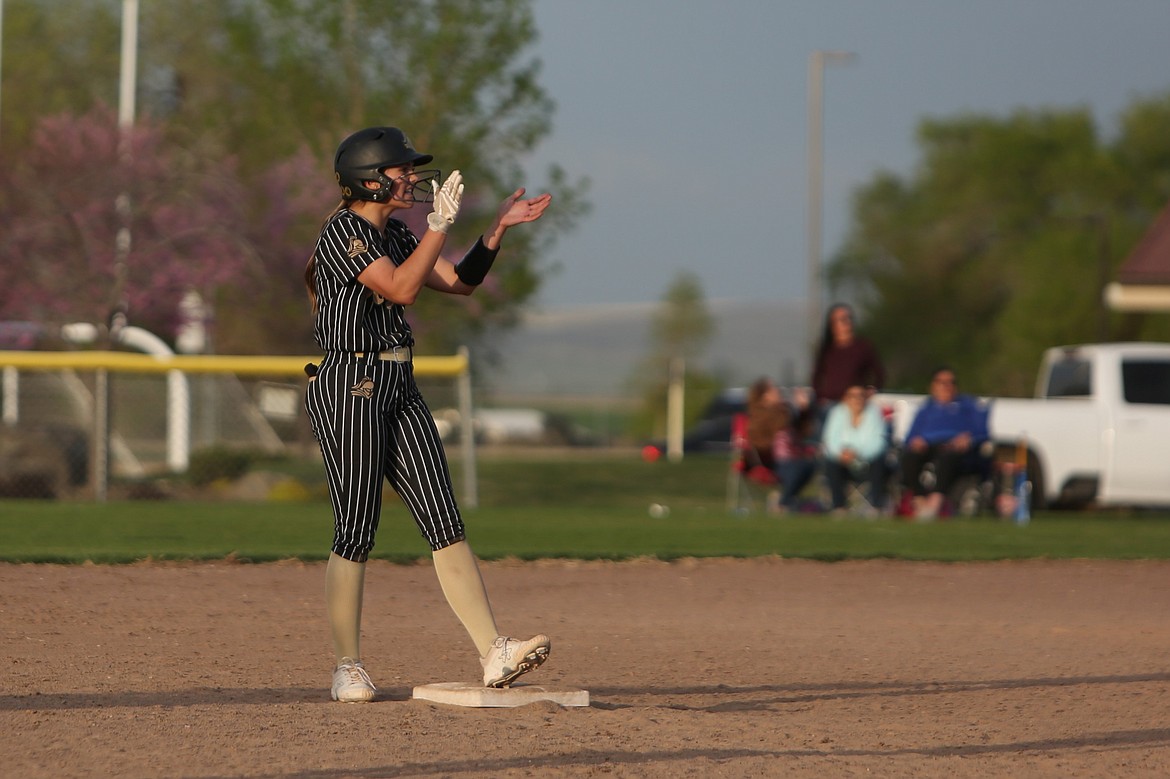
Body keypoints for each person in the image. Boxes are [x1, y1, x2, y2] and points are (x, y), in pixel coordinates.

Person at [302, 126, 553, 702]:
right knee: (357, 524)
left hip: (397, 381)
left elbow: (459, 283)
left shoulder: (389, 232)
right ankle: (348, 666)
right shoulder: (345, 231)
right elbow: (401, 289)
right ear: (370, 178)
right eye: (401, 170)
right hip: (350, 384)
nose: (411, 177)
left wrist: (494, 232)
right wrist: (437, 226)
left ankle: (494, 651)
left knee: (443, 516)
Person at [898, 367, 990, 520]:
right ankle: (920, 500)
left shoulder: (968, 405)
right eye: (941, 382)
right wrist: (916, 441)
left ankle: (935, 503)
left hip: (956, 449)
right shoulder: (926, 408)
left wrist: (969, 439)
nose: (946, 386)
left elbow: (983, 432)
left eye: (950, 382)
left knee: (947, 457)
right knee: (909, 457)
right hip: (928, 446)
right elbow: (911, 436)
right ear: (933, 386)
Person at [821, 384, 891, 515]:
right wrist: (841, 454)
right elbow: (829, 440)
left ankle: (876, 506)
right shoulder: (837, 413)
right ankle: (839, 507)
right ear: (846, 398)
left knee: (879, 460)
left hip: (867, 462)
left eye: (861, 395)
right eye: (852, 396)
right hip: (843, 462)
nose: (857, 399)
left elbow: (879, 442)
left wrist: (858, 453)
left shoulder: (874, 413)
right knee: (830, 463)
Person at [810, 303, 885, 412]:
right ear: (832, 324)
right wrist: (820, 397)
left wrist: (871, 390)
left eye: (849, 318)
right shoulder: (826, 349)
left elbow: (879, 373)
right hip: (830, 404)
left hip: (854, 405)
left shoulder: (863, 347)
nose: (847, 322)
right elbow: (816, 376)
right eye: (842, 319)